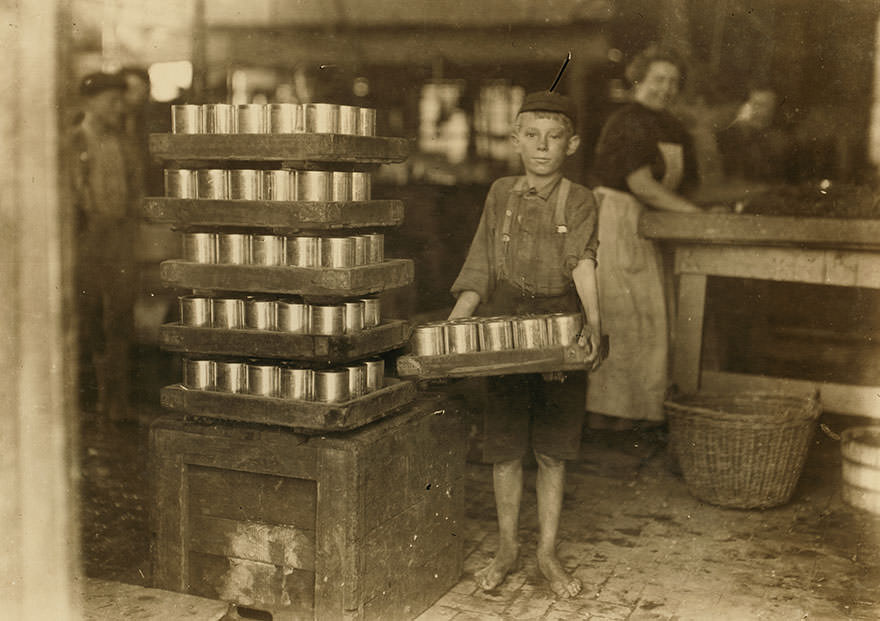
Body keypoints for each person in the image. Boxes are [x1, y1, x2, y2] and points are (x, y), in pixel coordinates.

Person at [448, 90, 602, 599]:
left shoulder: (579, 200)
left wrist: (593, 326)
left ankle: (547, 553)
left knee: (554, 452)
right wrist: (455, 324)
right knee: (506, 449)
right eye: (531, 135)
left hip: (559, 328)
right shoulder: (500, 193)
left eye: (554, 137)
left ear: (571, 144)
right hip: (507, 329)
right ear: (515, 140)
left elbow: (583, 263)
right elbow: (480, 264)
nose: (542, 146)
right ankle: (508, 548)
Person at [586, 45, 705, 431]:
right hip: (618, 222)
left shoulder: (673, 127)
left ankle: (639, 414)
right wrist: (696, 217)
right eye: (658, 79)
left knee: (652, 321)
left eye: (673, 82)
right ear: (638, 79)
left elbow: (687, 187)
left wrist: (696, 210)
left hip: (655, 224)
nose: (665, 88)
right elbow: (642, 185)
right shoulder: (626, 121)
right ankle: (607, 415)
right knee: (623, 319)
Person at [69, 71, 140, 420]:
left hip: (120, 239)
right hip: (87, 241)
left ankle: (118, 402)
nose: (119, 108)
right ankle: (92, 403)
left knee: (120, 318)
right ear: (90, 102)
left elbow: (135, 191)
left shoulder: (124, 143)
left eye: (120, 100)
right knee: (89, 317)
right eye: (112, 101)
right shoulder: (73, 142)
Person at [716, 84, 795, 183]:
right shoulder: (733, 134)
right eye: (753, 104)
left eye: (762, 105)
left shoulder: (780, 139)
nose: (755, 109)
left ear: (773, 108)